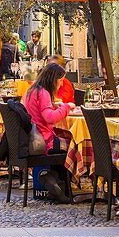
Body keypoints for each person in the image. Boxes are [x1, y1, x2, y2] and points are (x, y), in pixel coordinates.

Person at [22, 63, 77, 203]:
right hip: (45, 141)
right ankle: (57, 182)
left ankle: (55, 182)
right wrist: (66, 107)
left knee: (67, 142)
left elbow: (39, 111)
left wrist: (54, 105)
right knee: (74, 146)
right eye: (60, 80)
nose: (61, 84)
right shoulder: (44, 93)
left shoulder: (32, 90)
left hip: (33, 137)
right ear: (53, 79)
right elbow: (49, 117)